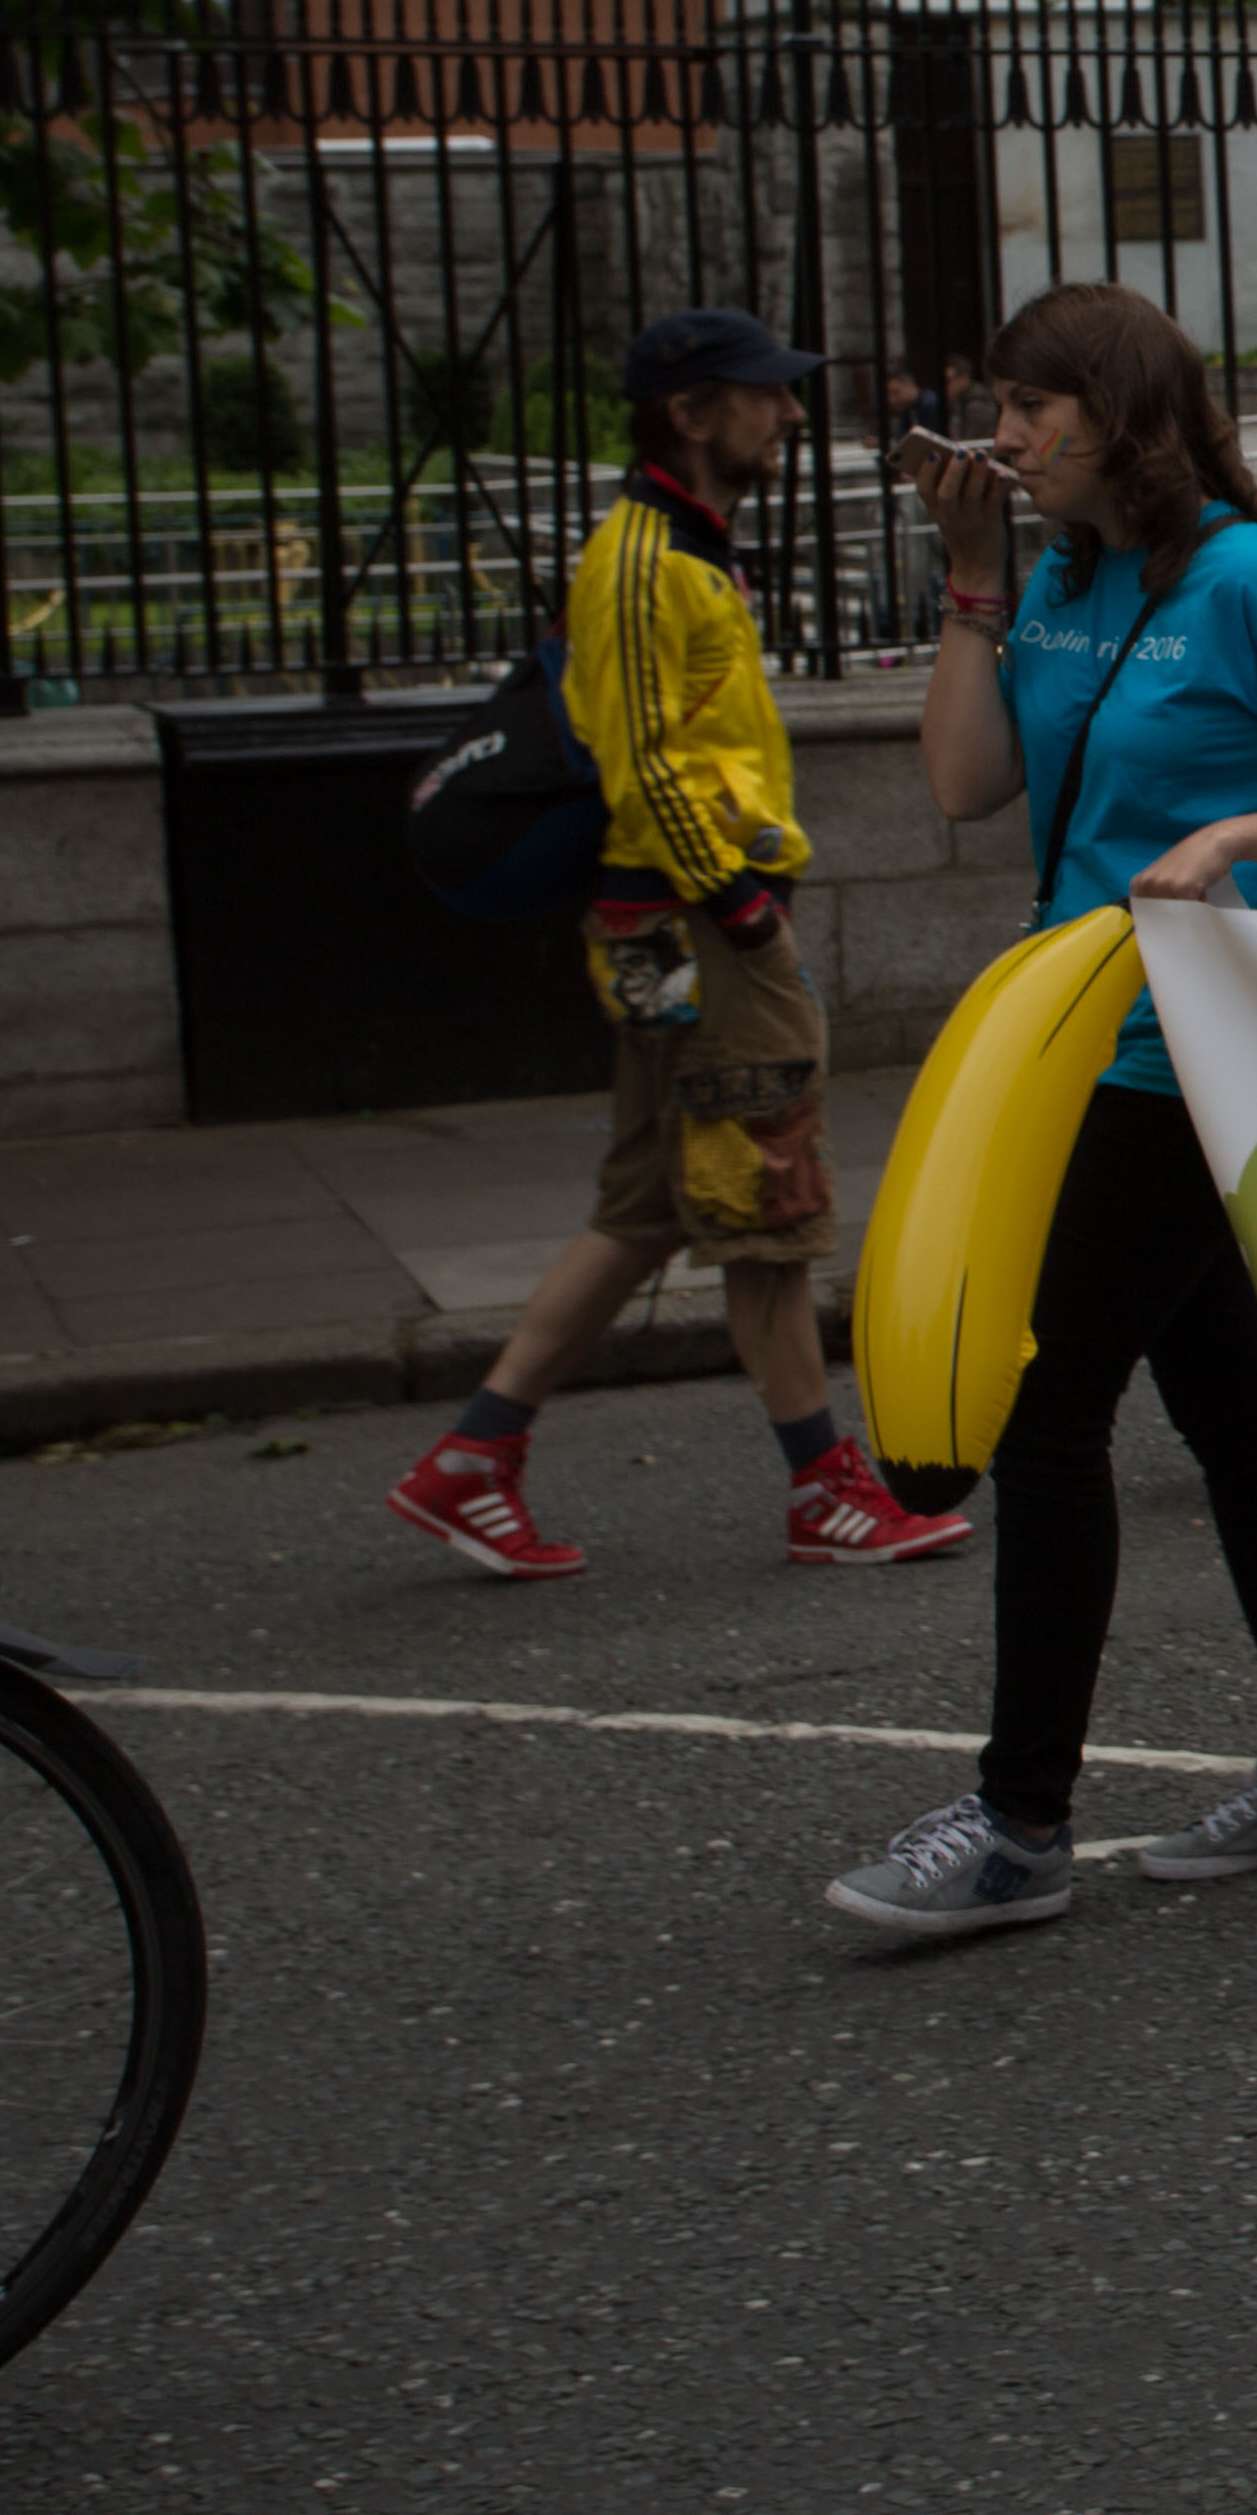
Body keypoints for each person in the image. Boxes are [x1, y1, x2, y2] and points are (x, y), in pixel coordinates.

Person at [822, 283, 1257, 1937]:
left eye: (1033, 408)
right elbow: (966, 785)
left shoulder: (1256, 581)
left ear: (1123, 415)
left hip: (1195, 1053)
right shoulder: (1067, 578)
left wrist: (1236, 840)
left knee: (1046, 1409)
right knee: (1233, 1408)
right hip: (1082, 1042)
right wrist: (971, 583)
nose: (1005, 436)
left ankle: (1021, 1822)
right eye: (999, 408)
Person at [386, 309, 972, 1580]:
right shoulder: (646, 561)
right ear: (692, 414)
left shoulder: (680, 548)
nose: (792, 414)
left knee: (649, 1207)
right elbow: (644, 760)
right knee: (769, 1203)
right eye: (766, 394)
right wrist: (743, 909)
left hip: (674, 922)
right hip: (700, 925)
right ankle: (825, 1490)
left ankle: (472, 1460)